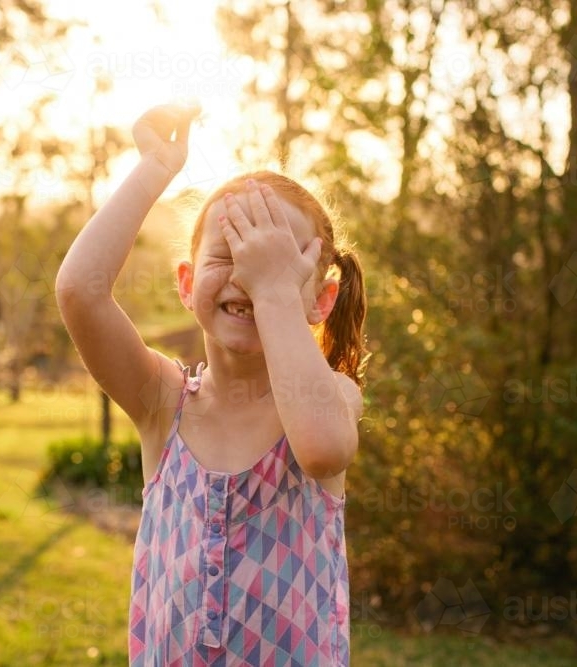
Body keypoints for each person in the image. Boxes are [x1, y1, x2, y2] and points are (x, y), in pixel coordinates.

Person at [55, 103, 368, 666]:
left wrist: (272, 292)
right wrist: (155, 166)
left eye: (276, 261)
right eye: (227, 254)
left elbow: (323, 451)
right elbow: (81, 291)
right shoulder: (162, 402)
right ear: (186, 283)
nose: (249, 273)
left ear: (321, 301)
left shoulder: (331, 397)